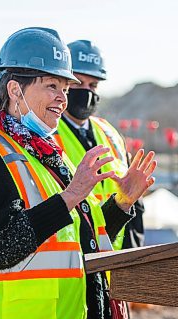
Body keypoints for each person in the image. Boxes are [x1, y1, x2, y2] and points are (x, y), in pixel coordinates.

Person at [0, 27, 156, 319]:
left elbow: (83, 238)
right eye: (52, 86)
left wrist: (122, 202)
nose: (63, 98)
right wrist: (72, 194)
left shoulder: (47, 155)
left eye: (65, 88)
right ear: (14, 90)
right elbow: (1, 247)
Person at [54, 40, 145, 250]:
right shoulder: (47, 135)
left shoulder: (110, 133)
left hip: (114, 259)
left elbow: (133, 200)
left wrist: (132, 257)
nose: (86, 92)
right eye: (78, 84)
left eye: (93, 85)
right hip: (74, 259)